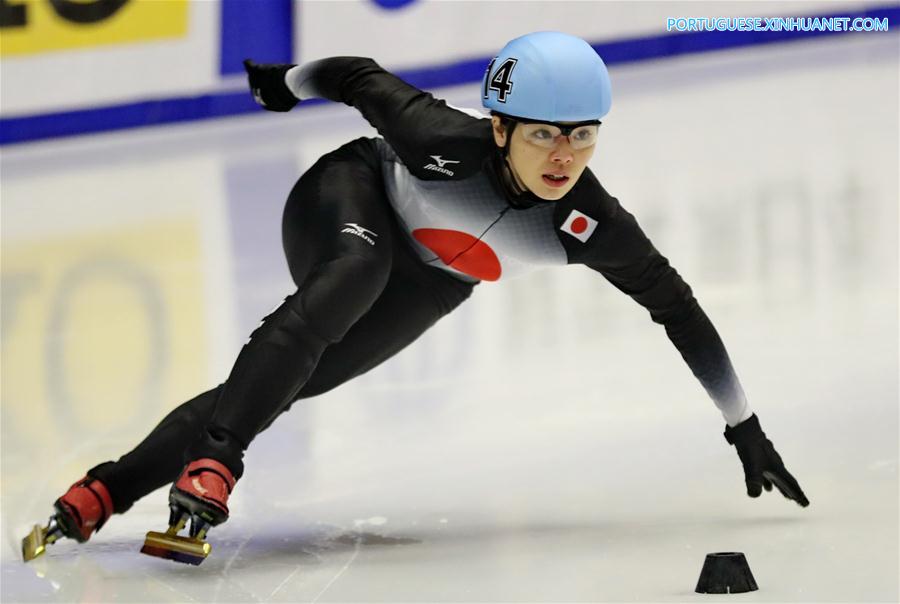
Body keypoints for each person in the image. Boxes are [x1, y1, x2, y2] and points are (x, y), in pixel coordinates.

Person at [22, 31, 809, 565]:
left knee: (296, 379)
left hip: (436, 279)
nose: (563, 155)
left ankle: (105, 490)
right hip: (347, 197)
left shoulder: (589, 223)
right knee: (352, 277)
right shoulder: (437, 136)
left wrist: (743, 423)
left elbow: (677, 306)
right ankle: (216, 464)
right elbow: (355, 76)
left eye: (582, 134)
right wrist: (284, 86)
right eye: (543, 134)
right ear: (499, 128)